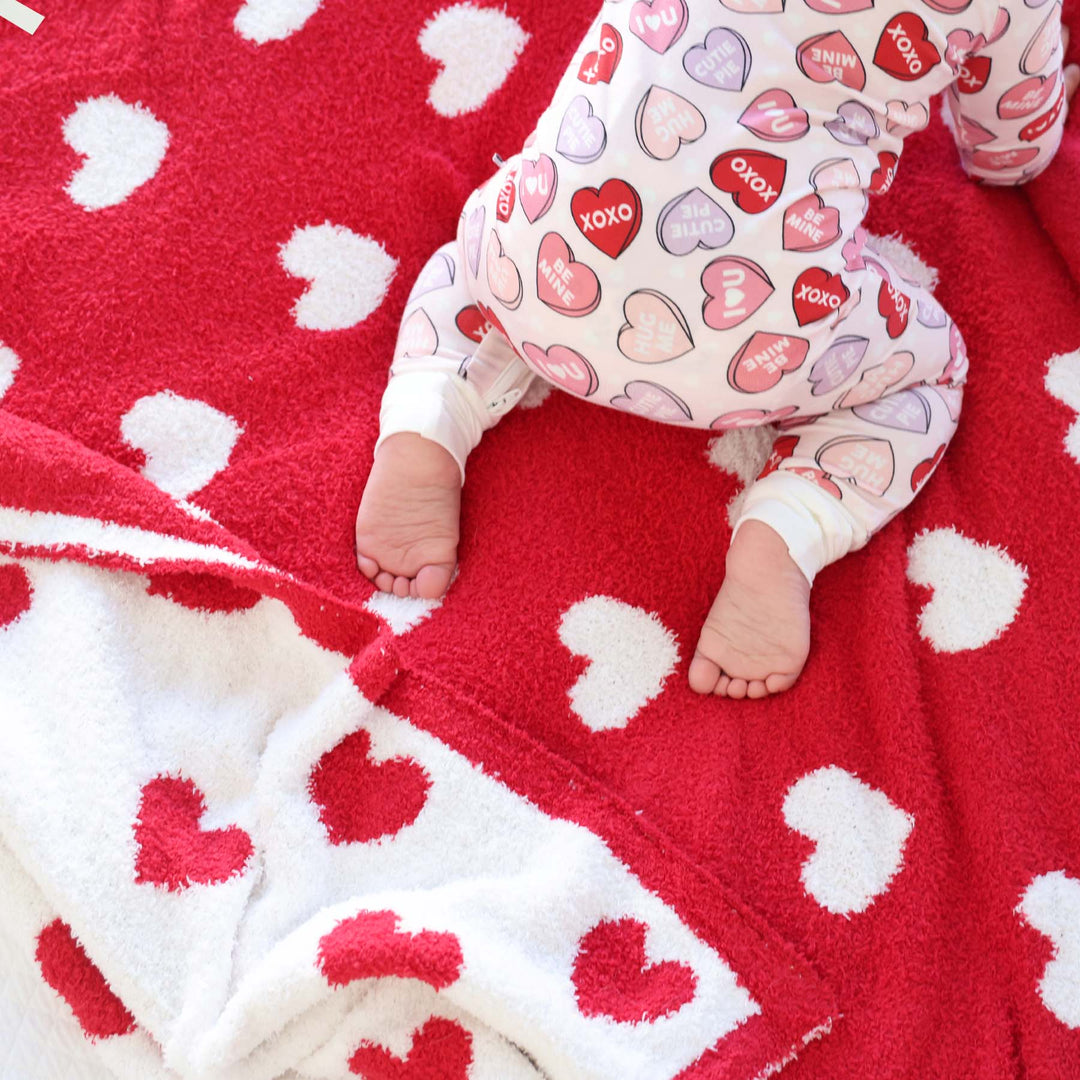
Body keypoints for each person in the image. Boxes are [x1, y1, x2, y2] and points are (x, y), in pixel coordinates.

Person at [357, 0, 1079, 699]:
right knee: (927, 375)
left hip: (546, 262)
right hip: (761, 340)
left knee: (471, 272)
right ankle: (788, 530)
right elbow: (1007, 156)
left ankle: (429, 414)